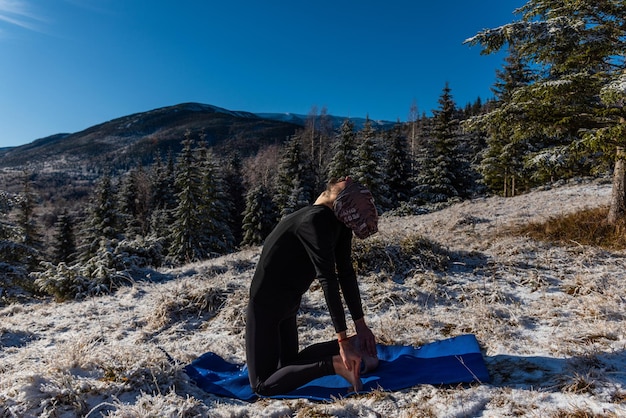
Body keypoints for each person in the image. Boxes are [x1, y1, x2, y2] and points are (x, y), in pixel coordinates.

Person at [245, 176, 379, 396]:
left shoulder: (314, 219)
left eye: (350, 185)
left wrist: (344, 337)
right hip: (288, 304)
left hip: (265, 306)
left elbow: (331, 279)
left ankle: (337, 365)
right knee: (290, 363)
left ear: (343, 200)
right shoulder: (336, 222)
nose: (348, 177)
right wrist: (359, 328)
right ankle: (355, 349)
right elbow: (344, 275)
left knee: (262, 385)